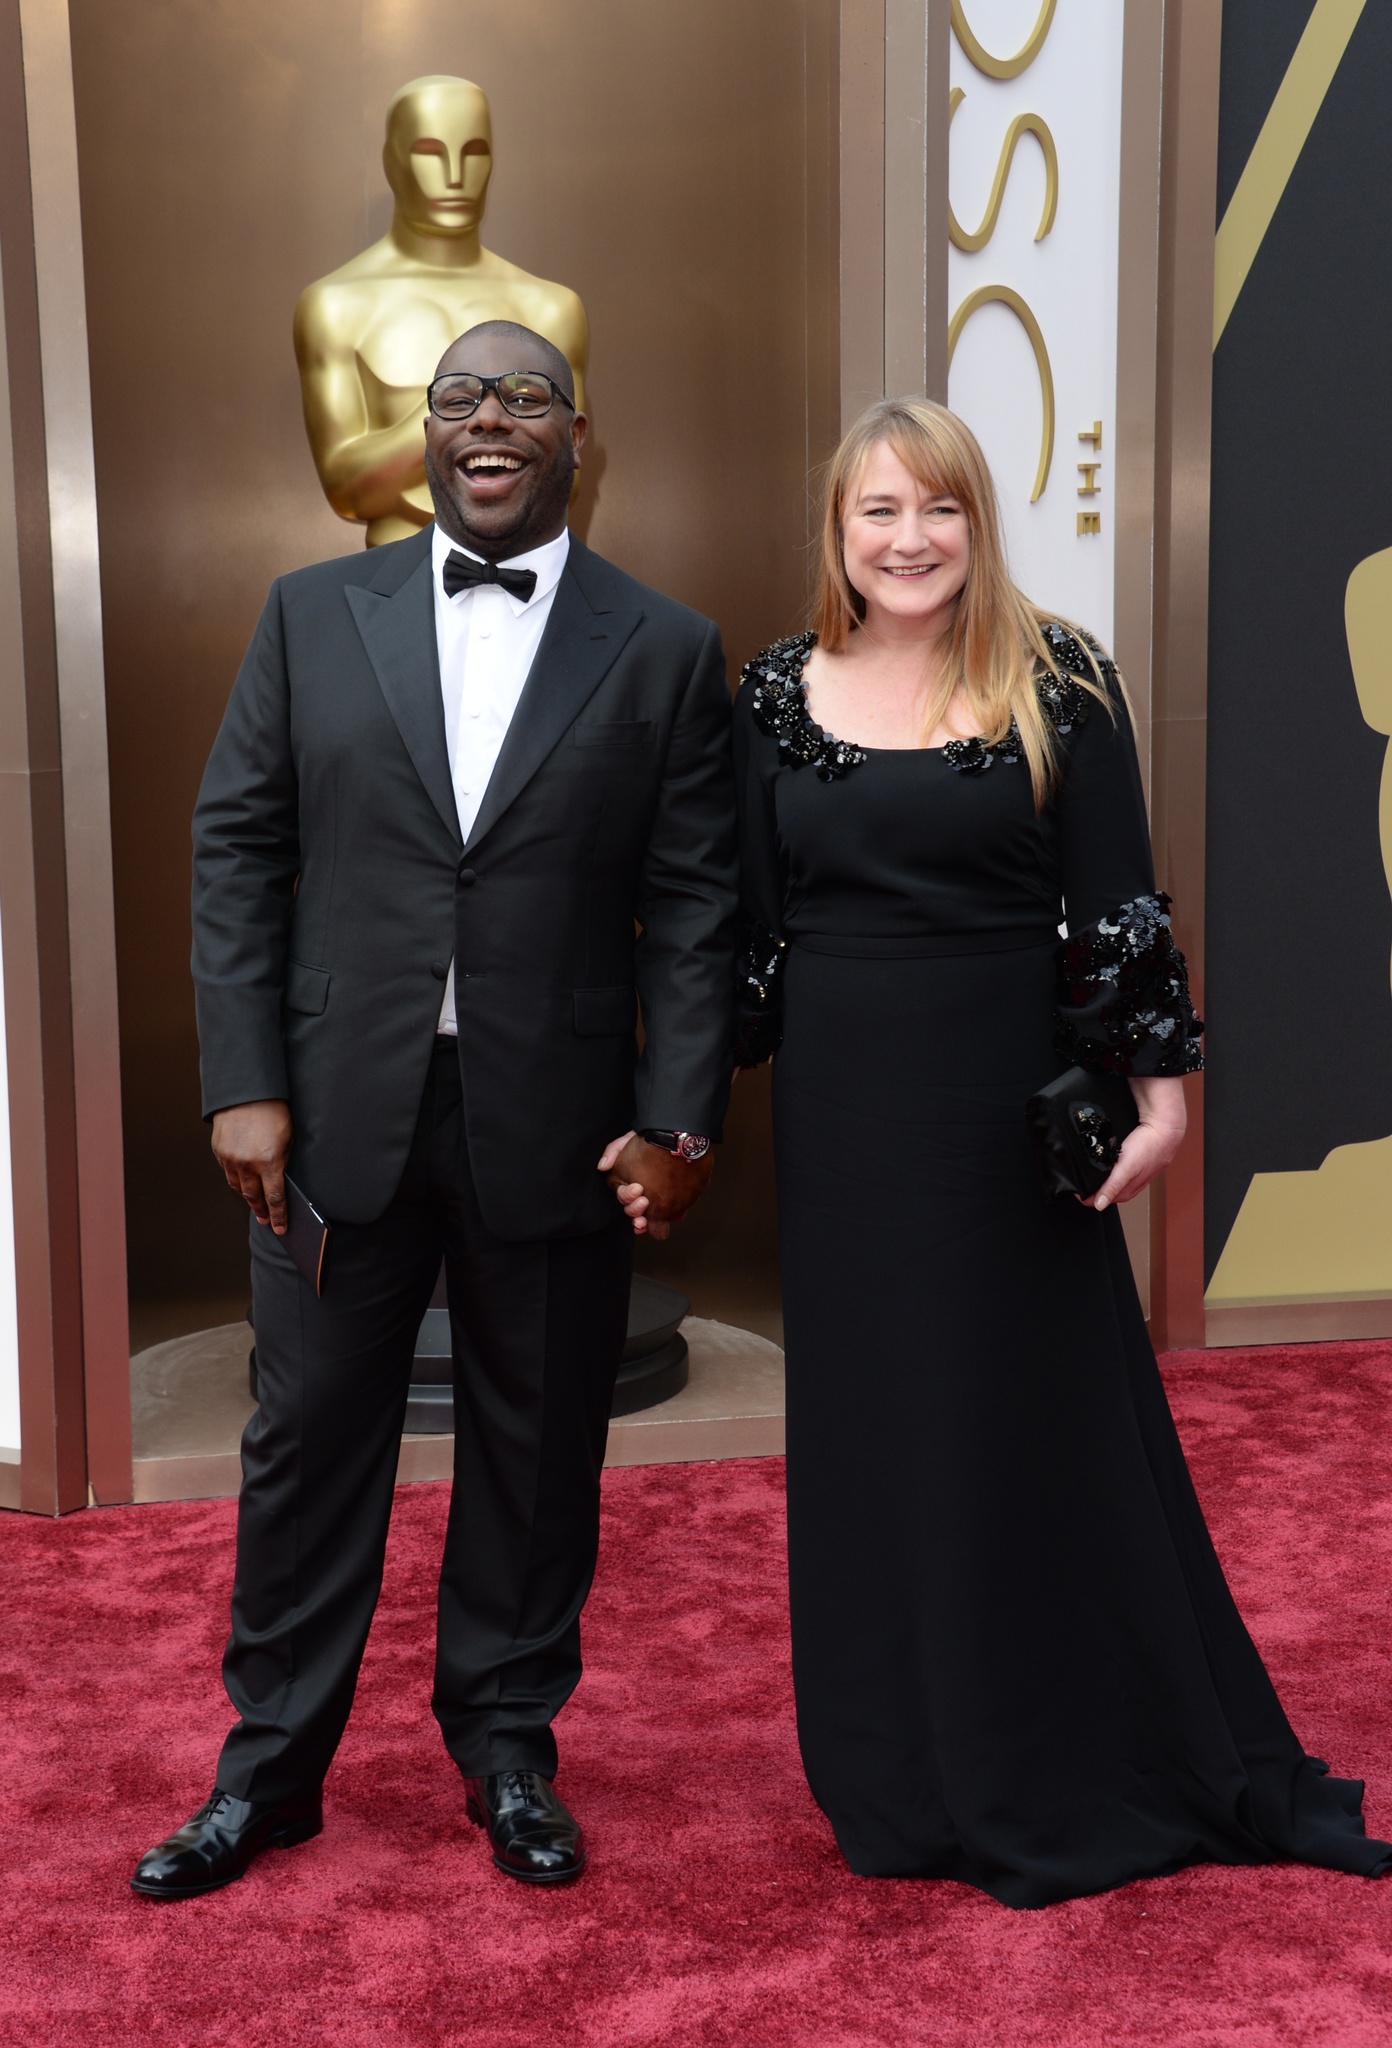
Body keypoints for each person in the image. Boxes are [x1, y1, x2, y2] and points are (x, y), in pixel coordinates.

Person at [726, 396, 1391, 1908]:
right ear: (838, 530)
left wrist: (1162, 1100)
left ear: (981, 521)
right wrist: (679, 1108)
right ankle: (894, 1773)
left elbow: (1116, 908)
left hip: (1002, 1117)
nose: (910, 540)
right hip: (840, 1124)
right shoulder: (769, 694)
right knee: (874, 1437)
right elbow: (742, 931)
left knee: (1023, 1427)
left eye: (939, 509)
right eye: (879, 513)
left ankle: (1053, 1747)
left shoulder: (1059, 675)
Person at [131, 319, 736, 1899]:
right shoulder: (307, 615)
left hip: (561, 1123)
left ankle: (509, 1754)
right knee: (308, 1442)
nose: (489, 418)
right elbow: (237, 852)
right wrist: (245, 1085)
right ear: (423, 433)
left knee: (537, 1460)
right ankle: (267, 1775)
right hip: (333, 1121)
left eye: (524, 396)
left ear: (576, 437)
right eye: (461, 395)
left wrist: (677, 1124)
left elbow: (696, 900)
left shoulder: (665, 645)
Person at [295, 75, 589, 546]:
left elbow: (566, 479)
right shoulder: (335, 306)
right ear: (392, 162)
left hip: (530, 583)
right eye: (430, 153)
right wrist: (483, 404)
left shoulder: (551, 307)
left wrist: (455, 416)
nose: (455, 174)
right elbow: (347, 489)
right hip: (393, 589)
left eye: (474, 152)